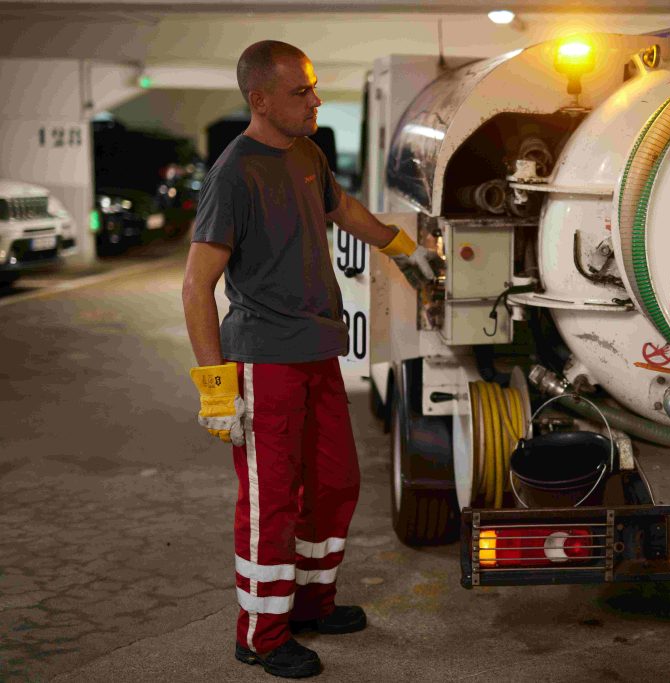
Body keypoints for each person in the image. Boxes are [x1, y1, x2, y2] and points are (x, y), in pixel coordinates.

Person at [182, 40, 435, 679]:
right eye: (301, 91)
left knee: (334, 483)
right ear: (259, 99)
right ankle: (261, 635)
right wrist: (217, 386)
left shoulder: (306, 153)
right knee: (273, 503)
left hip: (318, 351)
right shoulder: (233, 173)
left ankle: (310, 603)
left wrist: (400, 244)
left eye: (315, 87)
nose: (315, 99)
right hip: (263, 361)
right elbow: (195, 285)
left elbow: (340, 207)